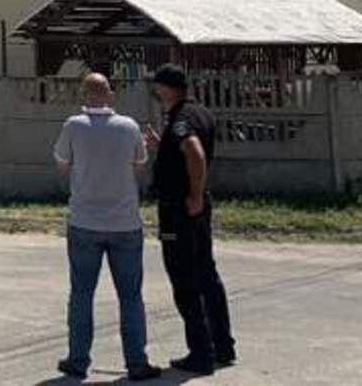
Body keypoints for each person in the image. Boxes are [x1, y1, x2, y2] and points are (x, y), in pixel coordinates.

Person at [53, 71, 162, 381]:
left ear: (82, 95)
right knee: (130, 296)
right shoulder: (128, 127)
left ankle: (78, 360)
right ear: (110, 95)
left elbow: (62, 162)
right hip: (124, 222)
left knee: (81, 294)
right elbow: (140, 162)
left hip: (84, 221)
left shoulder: (73, 126)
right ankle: (136, 361)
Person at [147, 62, 235, 376]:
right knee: (206, 274)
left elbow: (194, 152)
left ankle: (200, 353)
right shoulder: (201, 112)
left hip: (180, 208)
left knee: (184, 280)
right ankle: (222, 346)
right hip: (196, 207)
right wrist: (163, 147)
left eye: (157, 85)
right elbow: (185, 150)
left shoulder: (182, 118)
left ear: (166, 88)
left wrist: (194, 194)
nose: (155, 91)